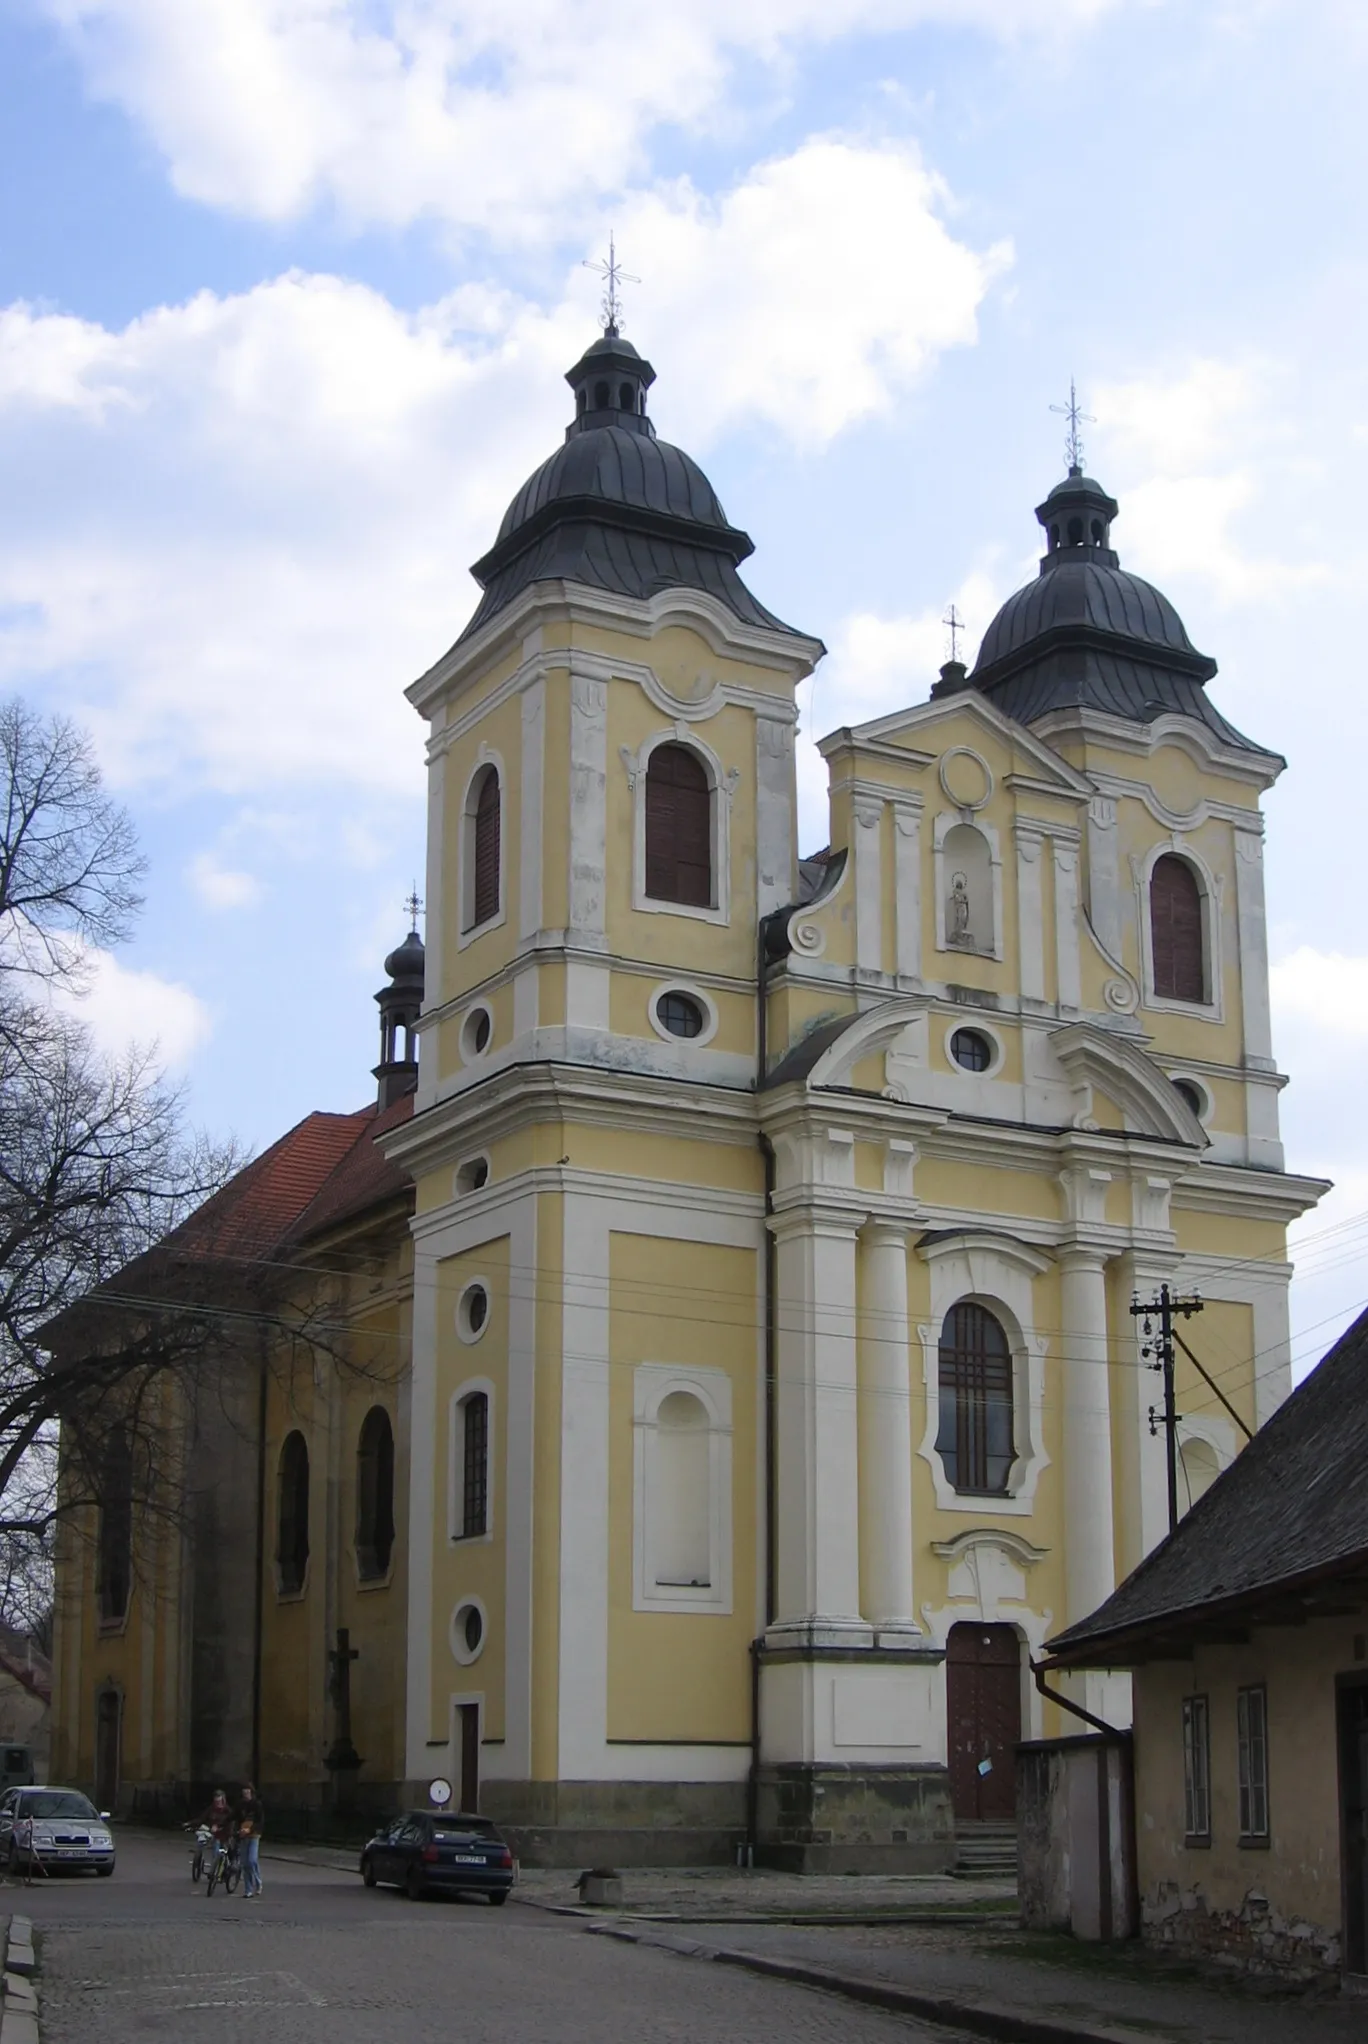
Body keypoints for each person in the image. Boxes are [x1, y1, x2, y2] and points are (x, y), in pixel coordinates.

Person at [237, 1782, 265, 1899]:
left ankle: (258, 1882)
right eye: (244, 1793)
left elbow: (260, 1821)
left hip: (254, 1835)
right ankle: (248, 1889)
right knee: (245, 1864)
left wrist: (250, 1829)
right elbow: (233, 1816)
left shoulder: (257, 1804)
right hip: (243, 1835)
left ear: (251, 1793)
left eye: (248, 1793)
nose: (246, 1795)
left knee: (252, 1860)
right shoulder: (240, 1805)